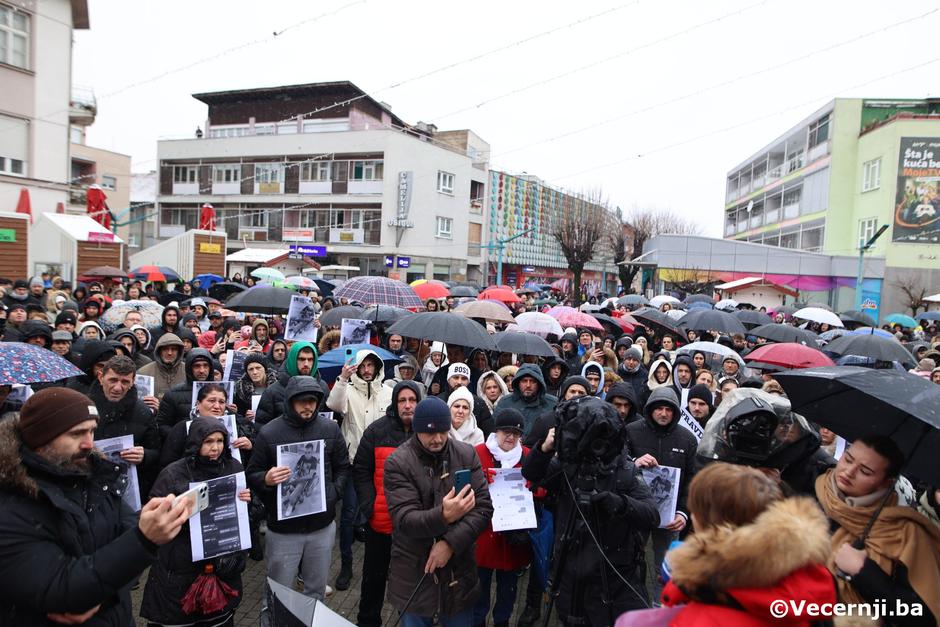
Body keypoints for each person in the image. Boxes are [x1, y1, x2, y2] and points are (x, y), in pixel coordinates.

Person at [0, 387, 190, 625]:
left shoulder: (93, 475)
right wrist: (144, 540)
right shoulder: (12, 505)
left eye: (91, 431)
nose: (89, 444)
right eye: (77, 434)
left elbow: (125, 533)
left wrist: (99, 594)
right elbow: (62, 589)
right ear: (41, 437)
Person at [523, 397, 659, 625]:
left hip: (612, 572)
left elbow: (651, 515)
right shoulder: (570, 466)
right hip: (571, 569)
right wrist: (544, 448)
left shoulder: (624, 470)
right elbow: (532, 474)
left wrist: (620, 503)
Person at [648, 463, 836, 625]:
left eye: (696, 508)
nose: (691, 514)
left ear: (711, 522)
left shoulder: (702, 616)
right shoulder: (805, 578)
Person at [383, 396, 494, 627]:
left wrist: (450, 543)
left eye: (442, 431)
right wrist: (443, 516)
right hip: (414, 572)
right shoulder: (398, 462)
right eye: (429, 433)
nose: (437, 439)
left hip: (458, 572)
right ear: (416, 430)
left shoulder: (466, 454)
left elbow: (483, 508)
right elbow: (404, 519)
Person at [247, 376, 348, 624]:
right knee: (276, 593)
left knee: (315, 592)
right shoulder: (270, 431)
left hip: (321, 527)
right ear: (290, 402)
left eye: (312, 401)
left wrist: (332, 494)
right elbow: (252, 473)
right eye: (302, 401)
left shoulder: (330, 429)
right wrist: (267, 479)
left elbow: (343, 468)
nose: (308, 407)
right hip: (284, 530)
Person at [815, 435, 940, 624]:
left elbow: (922, 617)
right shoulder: (807, 496)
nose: (849, 471)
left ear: (886, 483)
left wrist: (864, 572)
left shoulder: (905, 533)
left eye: (865, 471)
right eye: (848, 459)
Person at [139, 417, 252, 627]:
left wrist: (246, 501)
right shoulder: (173, 473)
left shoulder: (234, 467)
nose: (215, 448)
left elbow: (245, 514)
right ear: (195, 442)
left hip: (220, 561)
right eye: (208, 442)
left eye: (219, 441)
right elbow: (153, 517)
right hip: (180, 562)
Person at [353, 381, 422, 627]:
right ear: (395, 403)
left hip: (415, 525)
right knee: (374, 577)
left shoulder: (427, 431)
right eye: (402, 400)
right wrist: (369, 505)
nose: (407, 405)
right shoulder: (376, 431)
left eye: (412, 400)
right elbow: (360, 470)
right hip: (380, 521)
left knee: (413, 579)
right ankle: (368, 620)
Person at [325, 348, 393, 590]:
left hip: (382, 463)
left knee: (383, 513)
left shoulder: (388, 392)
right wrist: (342, 379)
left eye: (371, 366)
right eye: (363, 365)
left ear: (377, 368)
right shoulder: (348, 390)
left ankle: (384, 565)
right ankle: (346, 564)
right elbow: (333, 404)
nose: (366, 370)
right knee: (348, 513)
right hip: (355, 463)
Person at [626, 386, 698, 601]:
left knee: (665, 567)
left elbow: (692, 481)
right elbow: (617, 465)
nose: (664, 413)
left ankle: (661, 608)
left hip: (670, 516)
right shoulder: (631, 431)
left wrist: (684, 513)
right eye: (659, 409)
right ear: (650, 409)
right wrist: (633, 463)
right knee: (630, 561)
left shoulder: (687, 439)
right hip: (636, 510)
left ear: (676, 412)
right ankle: (632, 606)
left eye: (669, 409)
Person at [473, 408, 532, 627]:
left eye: (515, 433)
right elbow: (464, 485)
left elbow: (541, 487)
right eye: (506, 431)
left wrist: (529, 488)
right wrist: (481, 481)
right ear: (496, 431)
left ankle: (502, 621)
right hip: (484, 532)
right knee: (480, 585)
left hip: (512, 535)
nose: (510, 437)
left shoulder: (526, 455)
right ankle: (477, 620)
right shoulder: (478, 452)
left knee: (508, 588)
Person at [89, 355, 161, 497]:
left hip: (126, 489)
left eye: (124, 382)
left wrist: (144, 455)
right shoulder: (84, 407)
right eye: (113, 380)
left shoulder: (143, 413)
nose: (118, 387)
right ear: (100, 377)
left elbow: (156, 451)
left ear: (132, 382)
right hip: (90, 483)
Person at [254, 341, 318, 426]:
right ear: (292, 360)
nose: (306, 364)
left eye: (310, 359)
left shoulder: (322, 387)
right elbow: (262, 427)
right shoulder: (273, 392)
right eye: (301, 359)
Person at [156, 349, 215, 436]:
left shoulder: (221, 392)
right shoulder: (173, 394)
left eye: (205, 365)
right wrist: (182, 436)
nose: (202, 370)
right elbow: (162, 425)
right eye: (197, 366)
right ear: (189, 368)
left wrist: (232, 412)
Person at [492, 363, 557, 438]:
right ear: (518, 383)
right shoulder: (505, 402)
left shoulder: (552, 404)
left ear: (539, 383)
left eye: (532, 381)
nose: (528, 385)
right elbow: (494, 430)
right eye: (524, 381)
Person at [138, 332, 186, 399]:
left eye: (174, 349)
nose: (169, 353)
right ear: (159, 351)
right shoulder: (144, 373)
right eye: (165, 349)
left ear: (179, 352)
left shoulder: (187, 371)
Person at [234, 352, 277, 418]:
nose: (255, 372)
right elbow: (240, 414)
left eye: (258, 368)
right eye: (251, 369)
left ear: (265, 369)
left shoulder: (278, 385)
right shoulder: (241, 391)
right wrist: (245, 418)